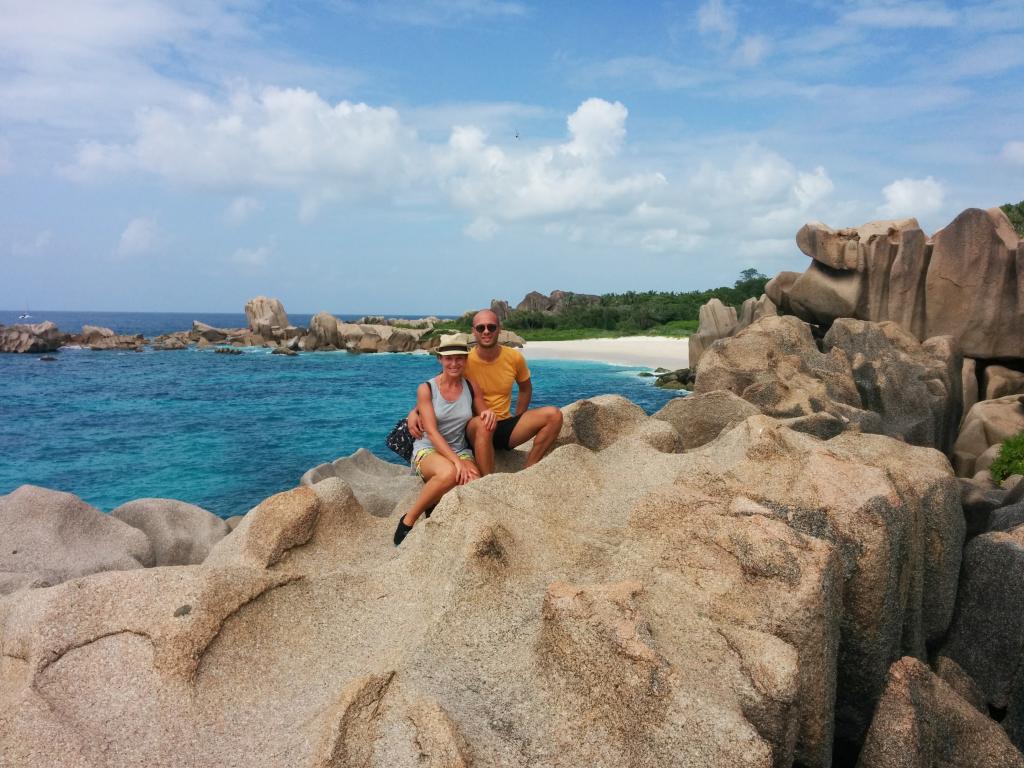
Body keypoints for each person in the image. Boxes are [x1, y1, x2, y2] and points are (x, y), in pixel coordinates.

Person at [409, 309, 563, 475]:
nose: (486, 331)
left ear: (499, 329)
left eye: (491, 327)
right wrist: (414, 412)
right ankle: (487, 481)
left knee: (554, 415)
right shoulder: (463, 360)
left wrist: (518, 416)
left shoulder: (514, 358)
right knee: (483, 424)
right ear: (473, 331)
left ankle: (529, 469)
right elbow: (438, 389)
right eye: (481, 328)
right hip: (473, 428)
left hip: (501, 424)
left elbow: (525, 388)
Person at [394, 332, 495, 546]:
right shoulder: (427, 388)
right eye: (448, 358)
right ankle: (409, 519)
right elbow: (431, 430)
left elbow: (482, 410)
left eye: (459, 358)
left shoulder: (470, 386)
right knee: (450, 473)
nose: (454, 363)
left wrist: (488, 413)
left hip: (459, 449)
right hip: (429, 449)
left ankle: (437, 501)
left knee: (474, 483)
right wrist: (457, 464)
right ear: (440, 359)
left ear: (466, 359)